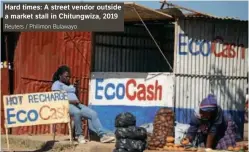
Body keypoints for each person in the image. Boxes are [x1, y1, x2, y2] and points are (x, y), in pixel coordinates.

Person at [51, 65, 115, 144]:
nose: (68, 78)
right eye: (66, 76)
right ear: (60, 76)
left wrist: (75, 89)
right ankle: (79, 136)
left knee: (93, 114)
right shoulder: (56, 84)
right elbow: (56, 98)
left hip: (77, 104)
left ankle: (102, 136)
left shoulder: (69, 85)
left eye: (69, 76)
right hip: (66, 105)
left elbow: (74, 94)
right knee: (77, 112)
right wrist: (71, 101)